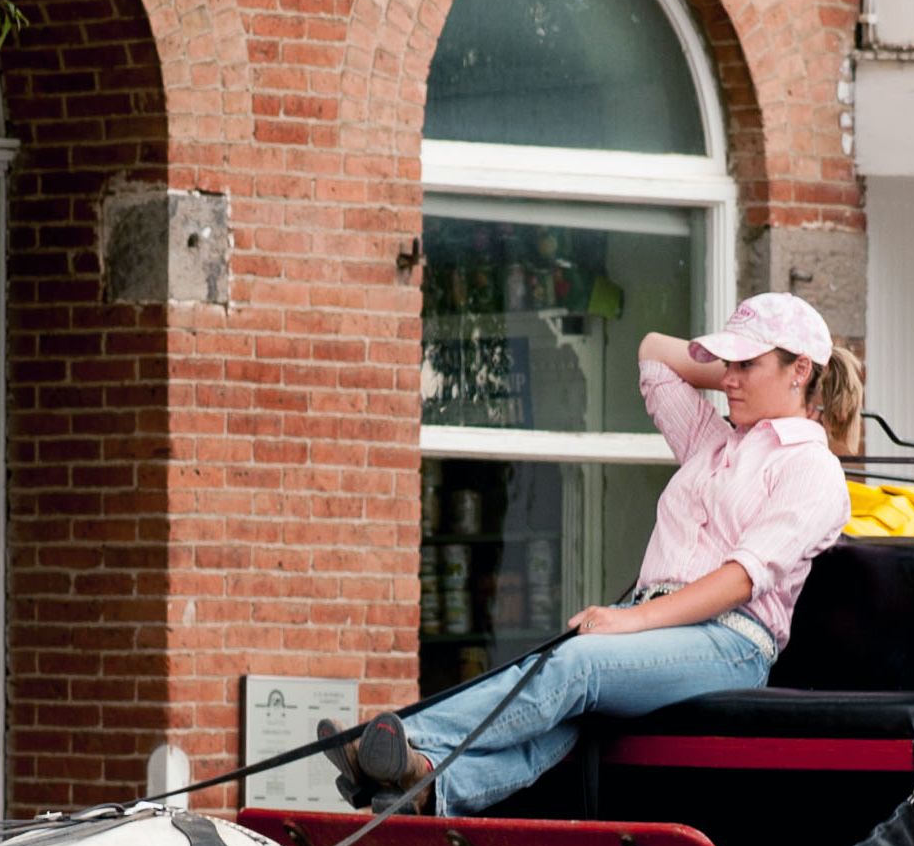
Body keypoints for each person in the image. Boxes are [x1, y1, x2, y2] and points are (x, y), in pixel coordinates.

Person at [328, 292, 859, 816]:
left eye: (748, 364)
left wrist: (631, 622)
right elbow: (653, 353)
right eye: (727, 364)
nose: (729, 378)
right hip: (661, 630)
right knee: (567, 716)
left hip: (730, 642)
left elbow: (743, 579)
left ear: (800, 369)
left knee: (574, 666)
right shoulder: (713, 443)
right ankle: (427, 782)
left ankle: (391, 744)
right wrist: (734, 368)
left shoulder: (812, 468)